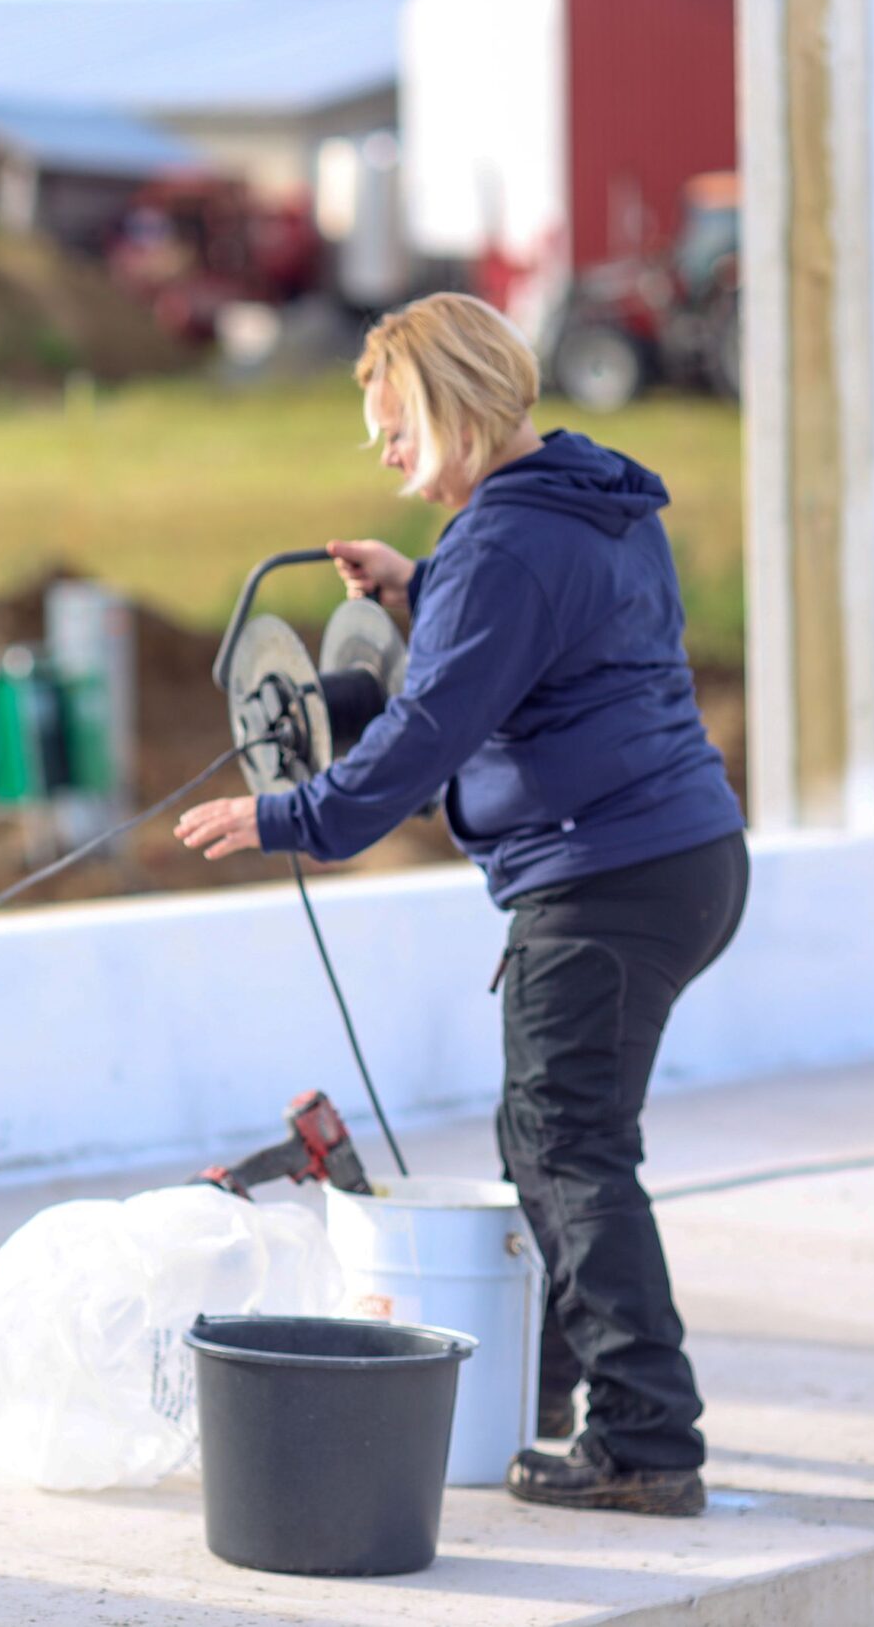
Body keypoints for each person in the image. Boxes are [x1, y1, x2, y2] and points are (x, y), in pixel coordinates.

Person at [175, 293, 747, 1517]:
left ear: (448, 407)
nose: (383, 454)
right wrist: (421, 585)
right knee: (548, 1137)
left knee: (567, 1147)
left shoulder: (501, 545)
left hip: (602, 881)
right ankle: (547, 1391)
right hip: (685, 858)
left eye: (394, 427)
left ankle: (646, 1441)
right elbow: (535, 624)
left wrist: (288, 815)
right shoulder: (594, 499)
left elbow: (429, 727)